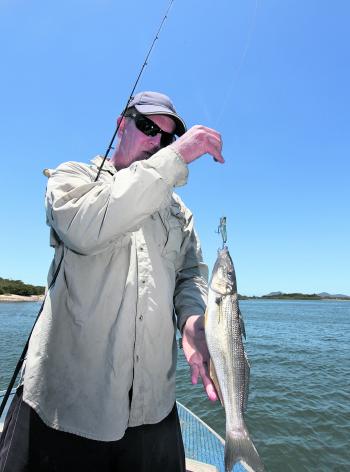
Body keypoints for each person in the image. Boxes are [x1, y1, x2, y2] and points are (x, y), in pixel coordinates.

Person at [0, 91, 224, 471]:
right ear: (122, 124)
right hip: (65, 410)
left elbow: (189, 276)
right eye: (148, 127)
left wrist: (190, 320)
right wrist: (176, 158)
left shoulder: (179, 212)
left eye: (167, 138)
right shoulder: (72, 178)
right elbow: (84, 229)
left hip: (154, 413)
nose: (157, 141)